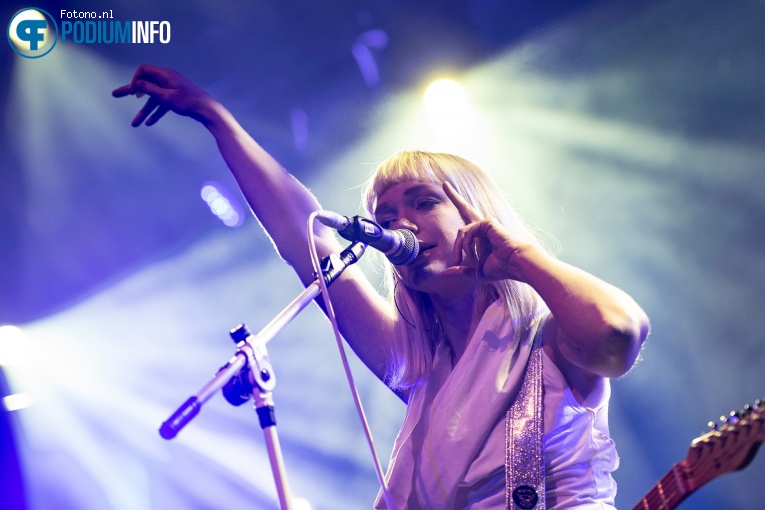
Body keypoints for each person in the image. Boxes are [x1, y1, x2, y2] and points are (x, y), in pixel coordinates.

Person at [113, 65, 650, 509]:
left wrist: (521, 259)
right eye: (386, 216)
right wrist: (215, 118)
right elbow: (305, 240)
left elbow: (615, 332)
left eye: (423, 201)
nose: (401, 226)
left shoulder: (546, 338)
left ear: (475, 213)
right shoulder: (417, 361)